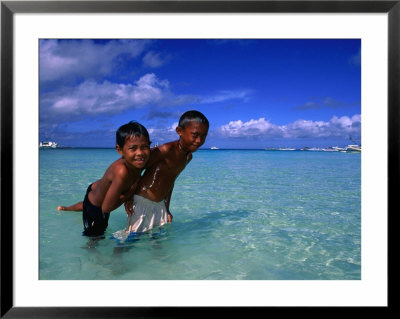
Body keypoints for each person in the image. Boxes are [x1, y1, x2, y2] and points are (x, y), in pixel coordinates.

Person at [121, 110, 209, 235]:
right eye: (195, 135)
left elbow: (171, 181)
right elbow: (133, 167)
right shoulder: (164, 151)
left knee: (158, 242)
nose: (199, 140)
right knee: (130, 240)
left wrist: (167, 209)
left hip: (160, 205)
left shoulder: (187, 157)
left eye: (204, 135)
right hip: (141, 202)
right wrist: (128, 196)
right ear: (179, 131)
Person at [57, 121, 151, 237]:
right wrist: (129, 195)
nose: (140, 153)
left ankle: (65, 208)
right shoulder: (121, 172)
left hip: (94, 191)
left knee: (85, 204)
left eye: (145, 147)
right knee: (94, 239)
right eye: (133, 148)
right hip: (97, 207)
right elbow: (106, 208)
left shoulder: (137, 162)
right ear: (119, 150)